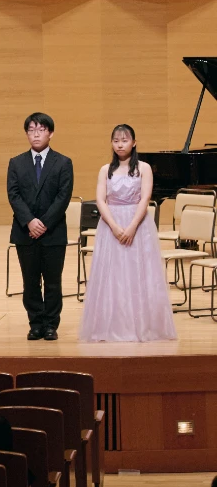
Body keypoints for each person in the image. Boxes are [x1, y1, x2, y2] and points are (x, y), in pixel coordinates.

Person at [78, 125, 177, 342]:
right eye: (116, 141)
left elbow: (145, 198)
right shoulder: (105, 169)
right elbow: (100, 200)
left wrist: (132, 226)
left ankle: (142, 326)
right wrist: (114, 226)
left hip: (138, 224)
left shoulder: (144, 168)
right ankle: (111, 326)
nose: (120, 145)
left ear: (134, 143)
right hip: (110, 225)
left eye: (124, 140)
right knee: (112, 275)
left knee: (139, 273)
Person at [7, 113, 75, 342]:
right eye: (31, 130)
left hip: (53, 232)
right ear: (27, 134)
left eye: (41, 129)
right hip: (25, 232)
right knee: (30, 281)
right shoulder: (16, 163)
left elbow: (63, 196)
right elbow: (14, 195)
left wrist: (43, 223)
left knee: (53, 282)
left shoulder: (63, 162)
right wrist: (29, 221)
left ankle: (51, 325)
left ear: (51, 133)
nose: (36, 134)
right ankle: (35, 324)